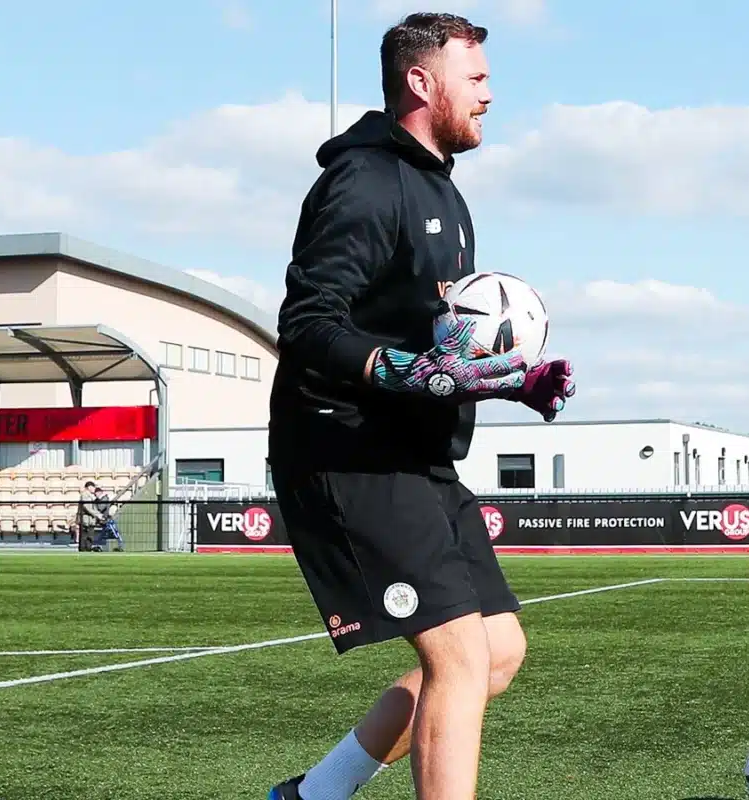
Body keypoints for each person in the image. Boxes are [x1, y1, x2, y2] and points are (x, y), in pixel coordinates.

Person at [266, 12, 575, 800]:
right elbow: (307, 323)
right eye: (475, 79)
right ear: (420, 81)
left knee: (497, 649)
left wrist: (509, 381)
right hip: (347, 453)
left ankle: (313, 795)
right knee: (458, 658)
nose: (489, 95)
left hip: (414, 455)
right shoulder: (364, 182)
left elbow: (435, 360)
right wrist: (407, 370)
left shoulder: (442, 191)